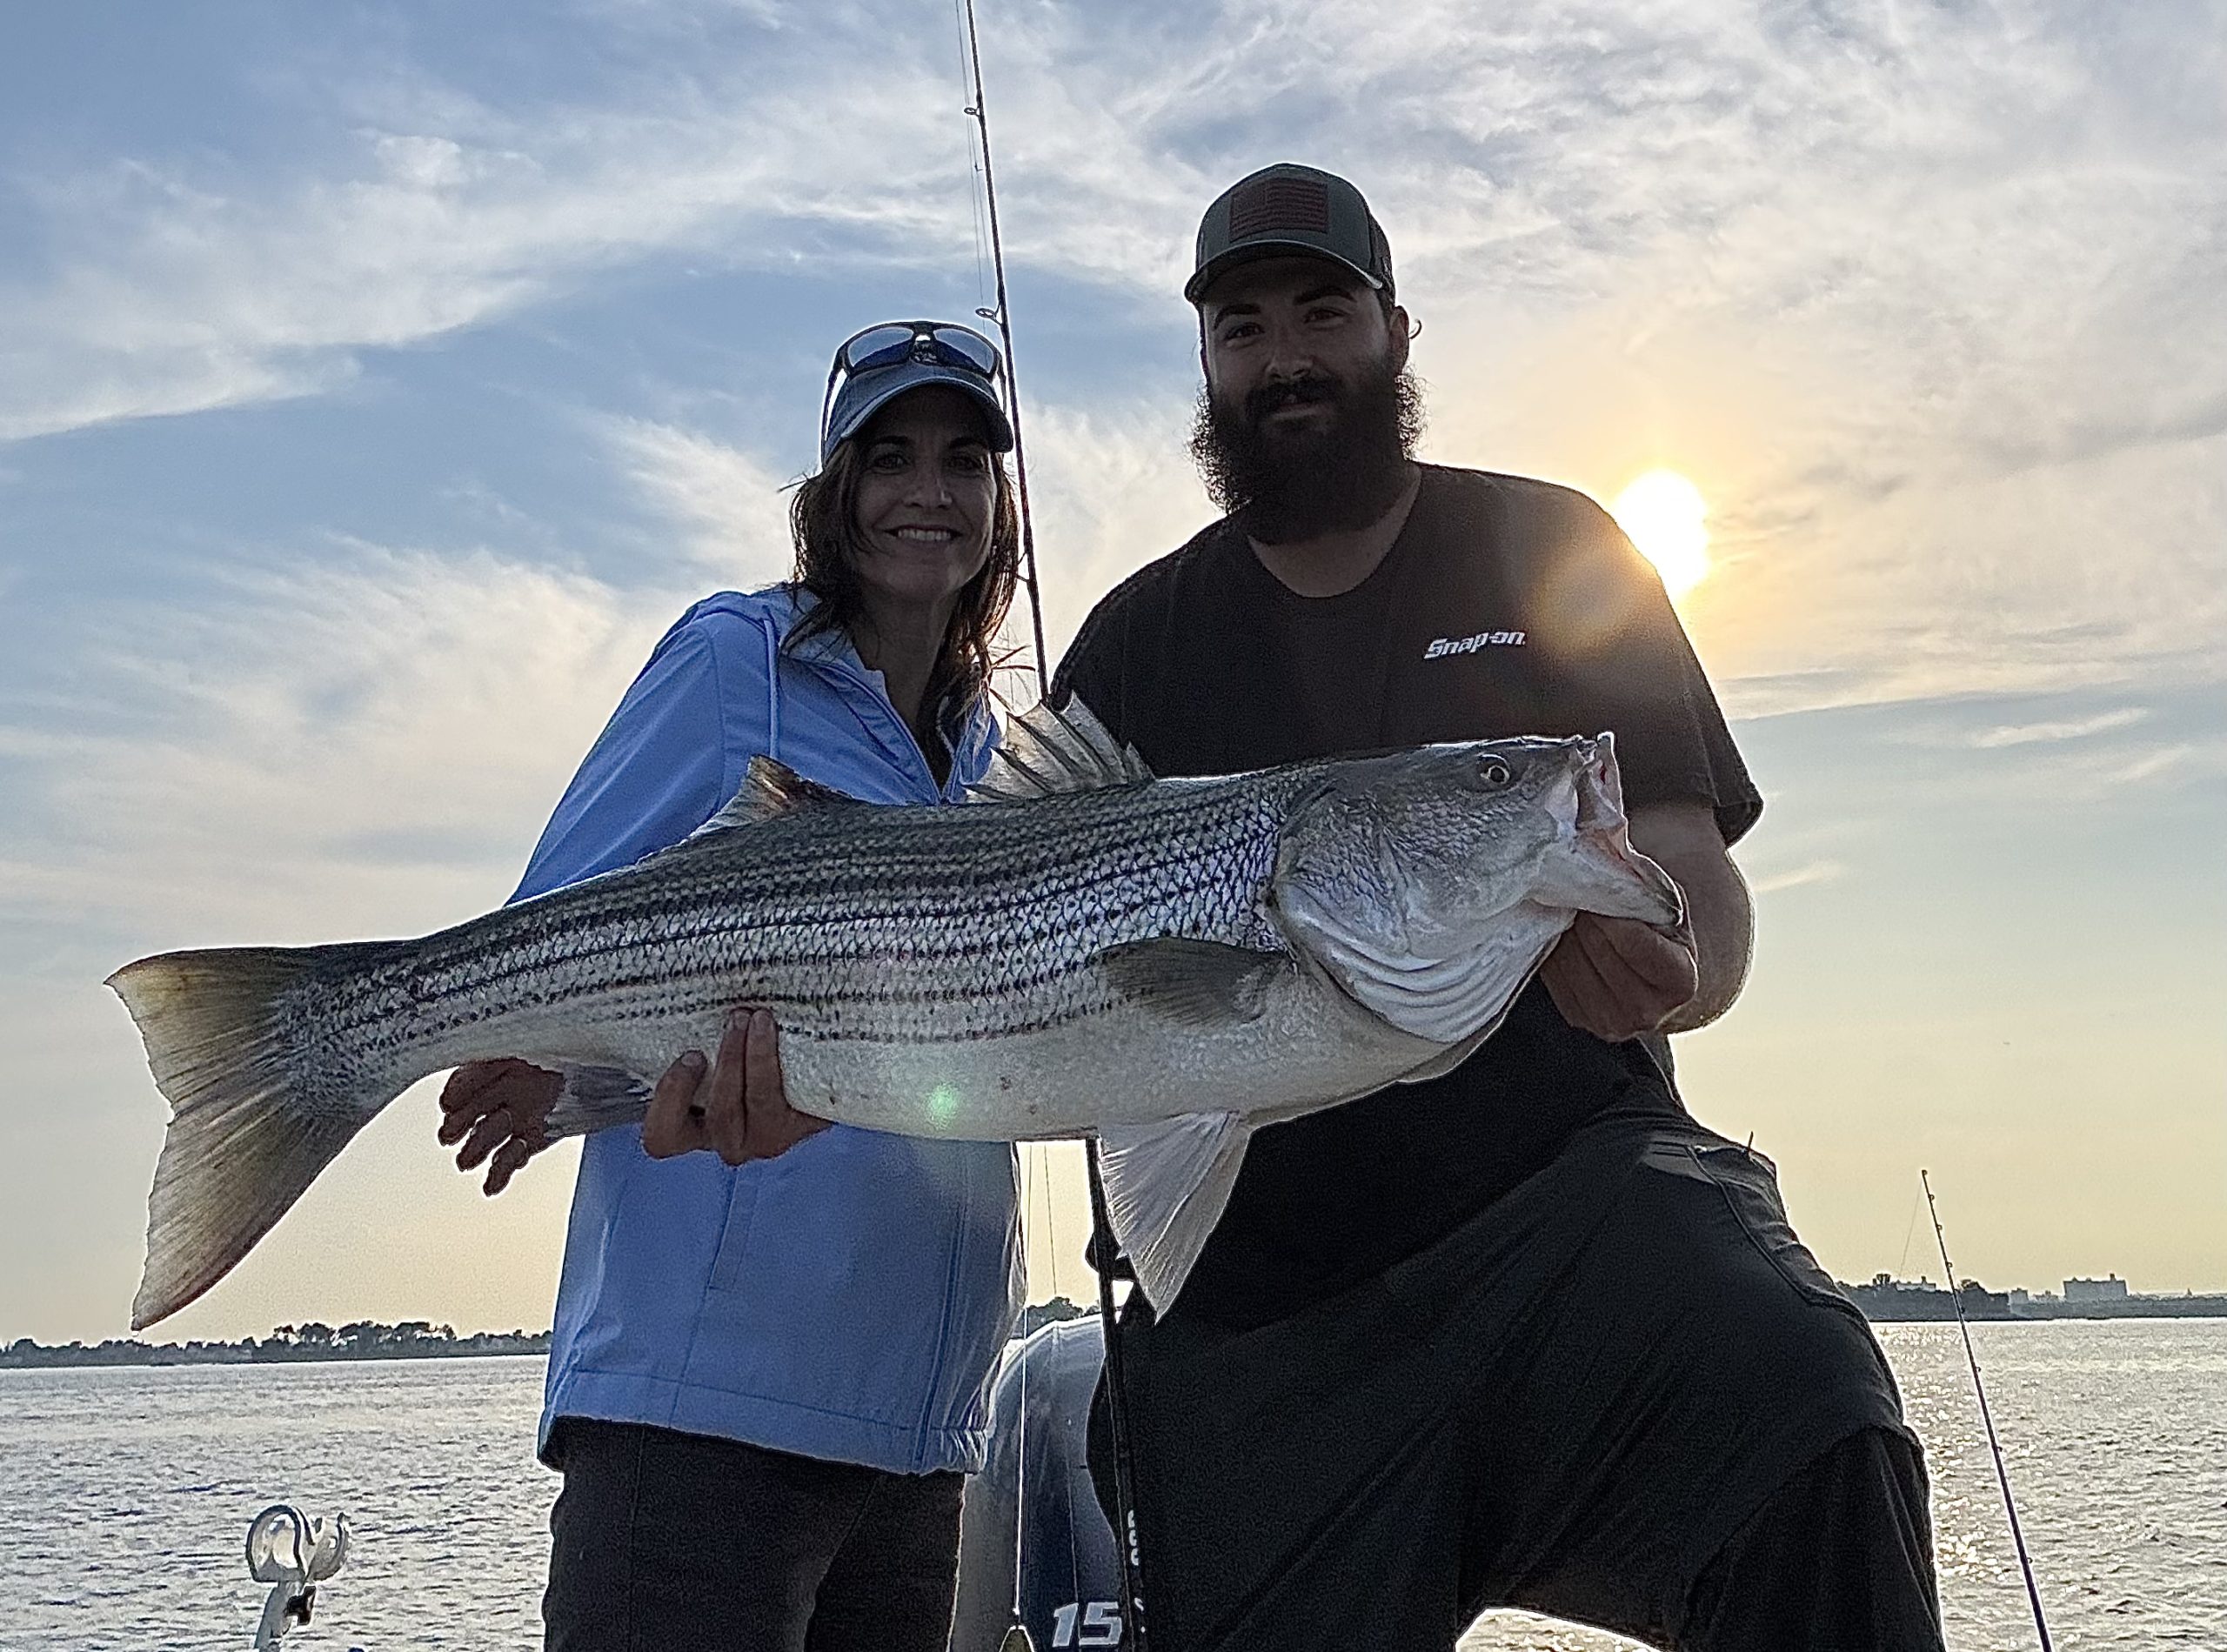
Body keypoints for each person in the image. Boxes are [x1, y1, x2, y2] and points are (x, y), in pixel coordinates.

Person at [1053, 164, 1944, 1650]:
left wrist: (1682, 966)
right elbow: (983, 951)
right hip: (1264, 1309)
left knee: (1809, 1412)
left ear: (1395, 331)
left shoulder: (1557, 549)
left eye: (1322, 313)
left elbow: (1691, 871)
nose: (1286, 360)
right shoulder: (1135, 646)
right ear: (1207, 366)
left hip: (1569, 1217)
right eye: (1244, 329)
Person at [434, 320, 1028, 1652]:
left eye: (962, 462)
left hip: (925, 1435)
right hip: (702, 1422)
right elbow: (559, 935)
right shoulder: (731, 664)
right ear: (832, 494)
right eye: (889, 459)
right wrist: (547, 1072)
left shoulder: (1000, 761)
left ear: (1000, 504)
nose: (927, 494)